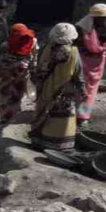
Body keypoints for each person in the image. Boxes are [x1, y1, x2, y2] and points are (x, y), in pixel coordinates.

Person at [30, 23, 85, 151]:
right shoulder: (73, 52)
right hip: (64, 91)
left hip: (45, 88)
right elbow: (78, 73)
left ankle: (39, 141)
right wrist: (82, 89)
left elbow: (38, 68)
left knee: (43, 112)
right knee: (62, 118)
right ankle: (58, 145)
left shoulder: (46, 48)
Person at [75, 4, 106, 126]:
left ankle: (70, 112)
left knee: (76, 86)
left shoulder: (79, 28)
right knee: (90, 90)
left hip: (80, 61)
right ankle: (82, 117)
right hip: (95, 64)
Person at [0, 23, 37, 121]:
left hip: (14, 74)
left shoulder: (7, 45)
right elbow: (34, 59)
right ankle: (10, 117)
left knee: (9, 95)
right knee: (13, 94)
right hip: (16, 73)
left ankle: (8, 117)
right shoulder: (32, 42)